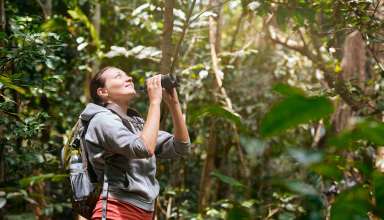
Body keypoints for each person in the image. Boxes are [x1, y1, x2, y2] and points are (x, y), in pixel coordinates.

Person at [79, 66, 191, 220]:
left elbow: (181, 147)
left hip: (145, 212)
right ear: (103, 92)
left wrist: (174, 104)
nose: (129, 78)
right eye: (119, 76)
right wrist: (155, 102)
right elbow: (143, 148)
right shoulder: (101, 120)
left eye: (126, 74)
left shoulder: (135, 125)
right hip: (115, 209)